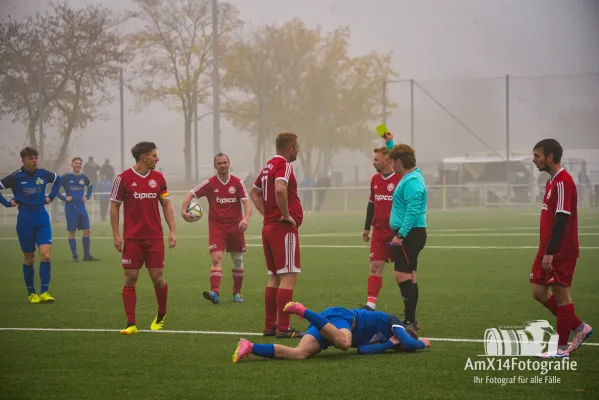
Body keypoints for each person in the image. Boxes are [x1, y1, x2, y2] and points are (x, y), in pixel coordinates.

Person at [530, 139, 592, 358]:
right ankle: (579, 327)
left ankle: (561, 348)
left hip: (560, 250)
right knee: (538, 292)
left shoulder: (564, 181)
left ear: (550, 157)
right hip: (546, 248)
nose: (534, 160)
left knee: (561, 295)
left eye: (537, 156)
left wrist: (550, 251)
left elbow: (563, 217)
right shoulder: (551, 182)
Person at [110, 142, 177, 335]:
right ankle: (130, 323)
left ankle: (161, 313)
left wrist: (172, 231)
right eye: (154, 155)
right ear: (144, 158)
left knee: (158, 279)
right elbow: (114, 206)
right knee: (130, 278)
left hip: (154, 237)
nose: (157, 159)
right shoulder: (123, 179)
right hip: (132, 239)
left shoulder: (159, 178)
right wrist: (116, 234)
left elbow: (166, 204)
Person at [232, 301, 431, 362]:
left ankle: (249, 346)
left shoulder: (388, 341)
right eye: (404, 343)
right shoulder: (393, 322)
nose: (403, 345)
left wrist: (389, 345)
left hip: (331, 331)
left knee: (299, 354)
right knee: (345, 343)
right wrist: (422, 343)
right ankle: (304, 311)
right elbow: (412, 342)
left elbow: (361, 351)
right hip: (342, 318)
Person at [250, 132, 304, 338]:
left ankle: (270, 325)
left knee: (274, 277)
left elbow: (254, 192)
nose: (298, 150)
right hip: (282, 229)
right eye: (297, 147)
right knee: (288, 277)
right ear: (290, 148)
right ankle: (284, 328)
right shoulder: (284, 165)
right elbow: (280, 189)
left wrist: (268, 215)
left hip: (269, 228)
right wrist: (285, 215)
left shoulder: (268, 166)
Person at [181, 153, 252, 304]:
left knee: (237, 260)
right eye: (219, 163)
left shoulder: (238, 183)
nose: (222, 165)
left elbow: (247, 203)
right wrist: (183, 211)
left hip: (236, 227)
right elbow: (190, 194)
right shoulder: (210, 183)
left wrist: (245, 219)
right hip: (217, 228)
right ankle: (215, 293)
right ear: (215, 166)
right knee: (216, 258)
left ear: (229, 163)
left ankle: (237, 294)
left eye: (225, 162)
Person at [0, 147, 63, 303]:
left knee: (46, 255)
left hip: (42, 218)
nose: (34, 161)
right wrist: (7, 203)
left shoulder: (43, 173)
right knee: (29, 258)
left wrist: (51, 197)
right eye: (31, 158)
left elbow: (59, 179)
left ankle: (44, 292)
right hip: (25, 221)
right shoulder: (15, 177)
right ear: (23, 160)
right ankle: (31, 293)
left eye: (36, 158)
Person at [389, 144, 428, 331]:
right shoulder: (410, 176)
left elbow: (412, 211)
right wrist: (391, 143)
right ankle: (411, 318)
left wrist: (401, 235)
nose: (391, 166)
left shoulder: (412, 181)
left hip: (410, 234)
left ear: (398, 162)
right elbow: (401, 155)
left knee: (401, 274)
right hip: (412, 233)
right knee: (410, 275)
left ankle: (410, 321)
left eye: (392, 162)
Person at [362, 147, 402, 311]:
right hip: (378, 232)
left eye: (376, 160)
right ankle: (370, 305)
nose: (373, 163)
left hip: (398, 233)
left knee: (403, 274)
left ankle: (409, 308)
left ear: (387, 161)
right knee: (375, 267)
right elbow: (371, 204)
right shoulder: (375, 179)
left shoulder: (401, 179)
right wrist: (366, 227)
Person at [56, 157, 99, 262]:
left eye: (80, 163)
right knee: (72, 232)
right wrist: (64, 198)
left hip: (81, 207)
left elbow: (90, 186)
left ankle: (86, 256)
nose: (78, 165)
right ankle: (75, 256)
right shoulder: (66, 177)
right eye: (76, 163)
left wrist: (87, 197)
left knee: (87, 230)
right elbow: (55, 188)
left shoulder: (83, 177)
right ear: (72, 165)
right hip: (71, 208)